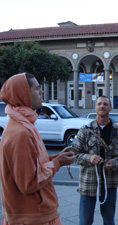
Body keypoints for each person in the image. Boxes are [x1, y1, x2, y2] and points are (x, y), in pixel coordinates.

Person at [0, 73, 76, 224]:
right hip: (32, 218)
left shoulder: (24, 124)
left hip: (36, 214)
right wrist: (57, 163)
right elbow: (28, 182)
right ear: (23, 94)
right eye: (37, 88)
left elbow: (32, 166)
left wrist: (55, 158)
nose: (41, 92)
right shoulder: (20, 132)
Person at [73, 96, 118, 225]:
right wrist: (89, 158)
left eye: (105, 104)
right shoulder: (85, 130)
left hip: (109, 183)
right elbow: (74, 155)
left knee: (109, 221)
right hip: (88, 183)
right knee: (85, 221)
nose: (102, 106)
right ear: (95, 107)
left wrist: (113, 163)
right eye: (99, 104)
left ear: (110, 107)